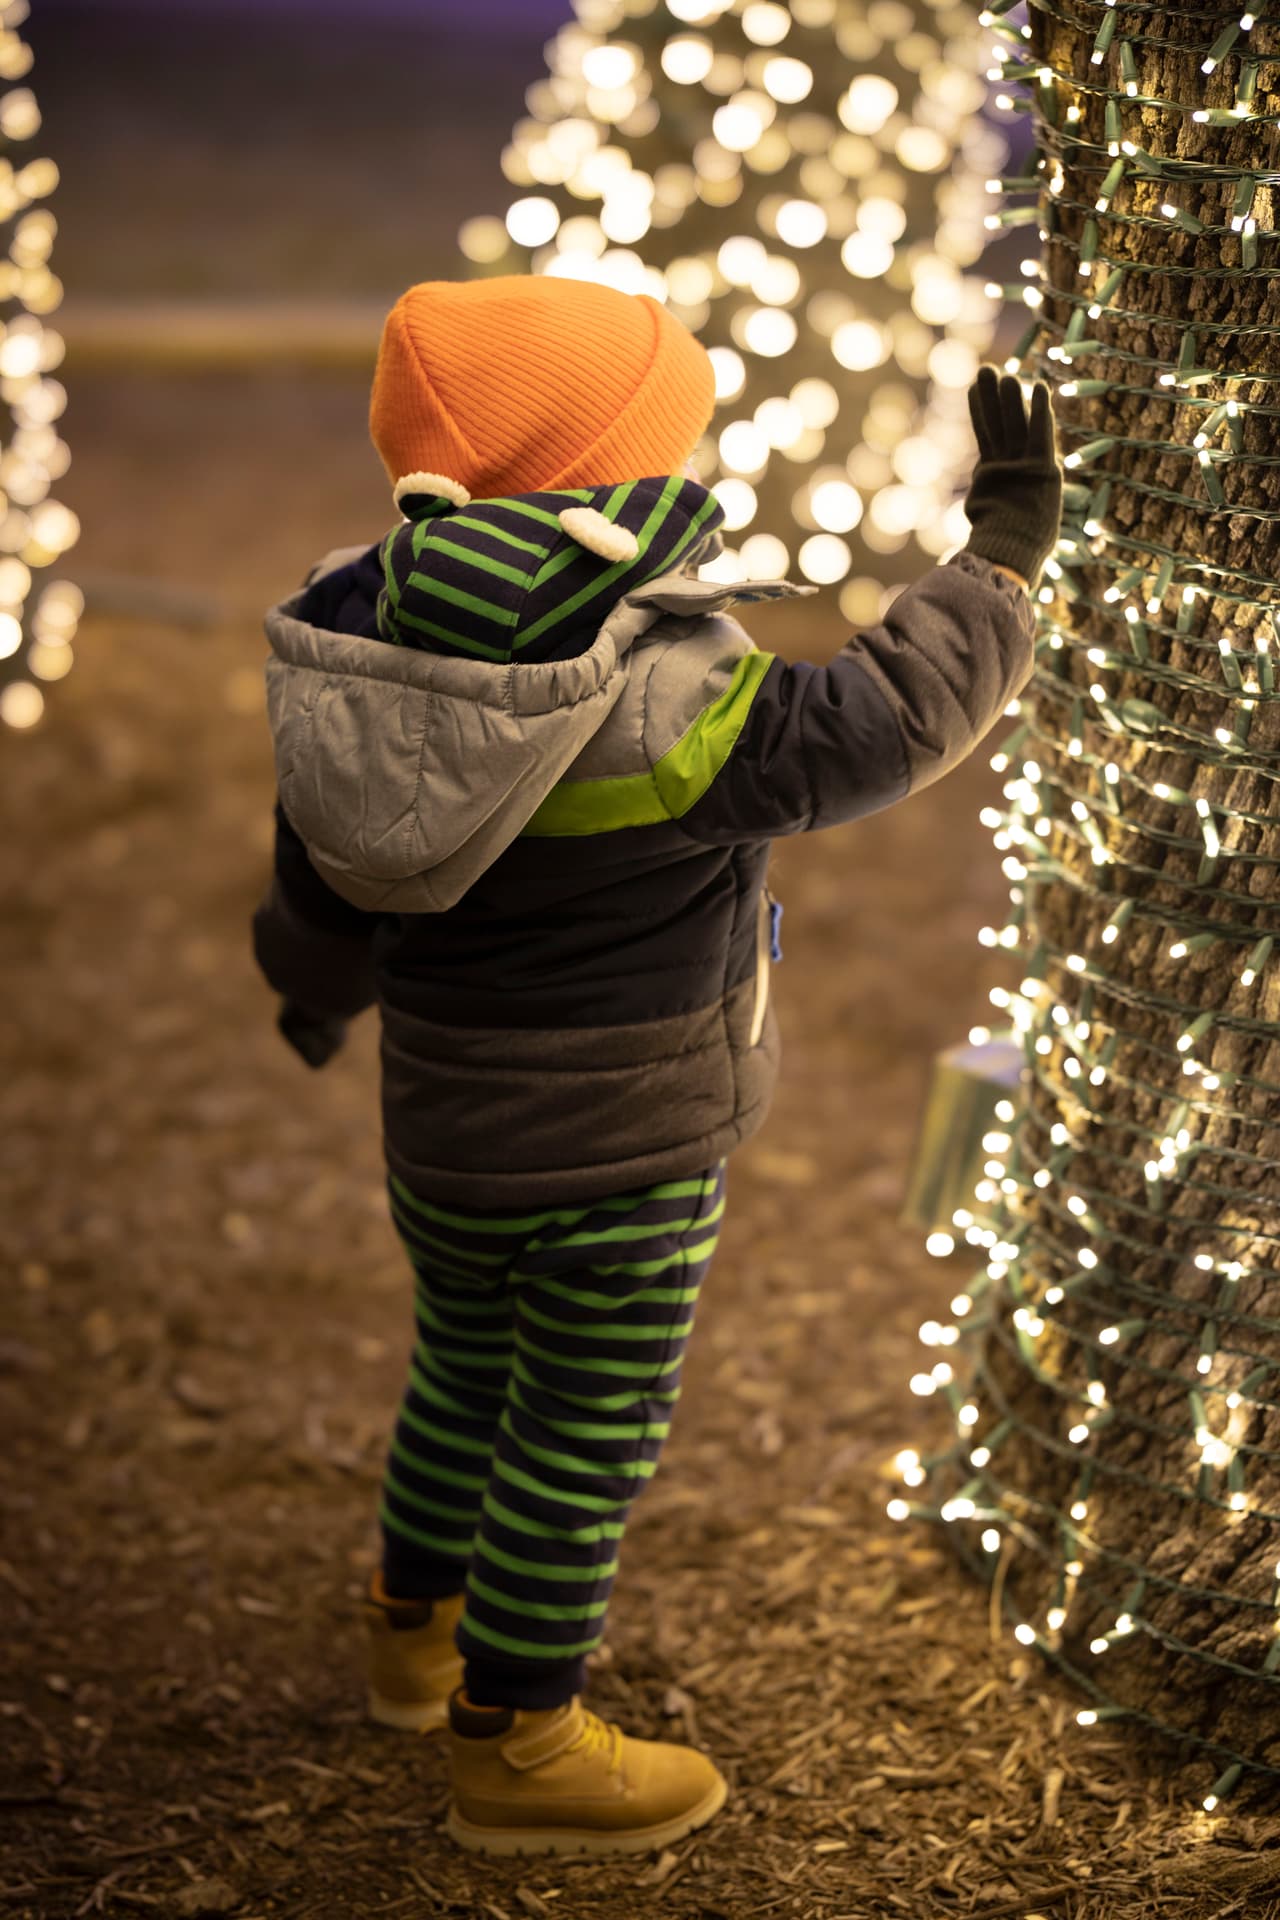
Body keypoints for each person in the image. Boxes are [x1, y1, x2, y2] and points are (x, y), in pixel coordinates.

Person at [252, 272, 1062, 1858]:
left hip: (442, 1125)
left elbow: (321, 871)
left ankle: (410, 1635)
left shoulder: (355, 639)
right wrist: (1003, 559)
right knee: (582, 1434)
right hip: (626, 1147)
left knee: (463, 1373)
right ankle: (520, 1740)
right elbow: (882, 722)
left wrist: (317, 988)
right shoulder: (672, 696)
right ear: (619, 476)